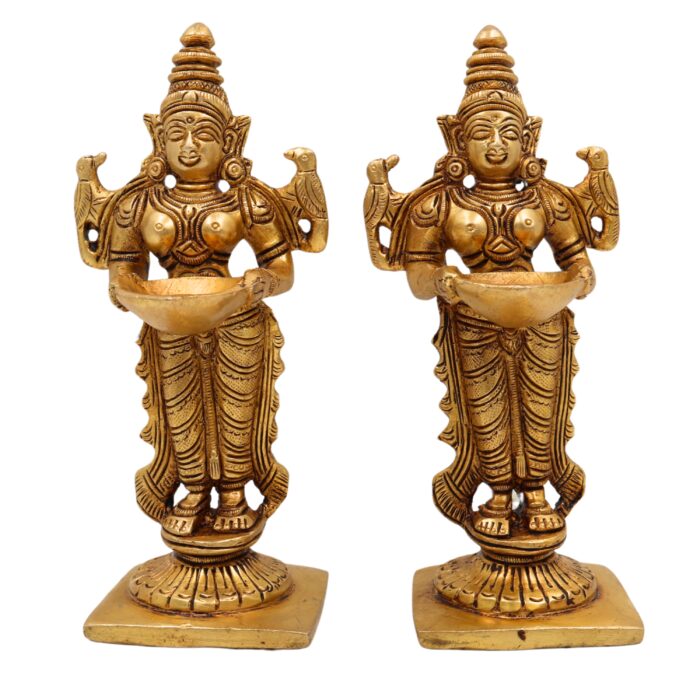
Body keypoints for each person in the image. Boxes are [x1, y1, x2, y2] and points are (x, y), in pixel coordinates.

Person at [100, 24, 300, 537]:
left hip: (238, 321)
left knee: (237, 410)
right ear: (158, 139)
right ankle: (191, 488)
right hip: (167, 322)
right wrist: (127, 290)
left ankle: (233, 492)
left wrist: (260, 282)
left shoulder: (246, 200)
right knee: (181, 411)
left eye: (204, 135)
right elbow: (122, 272)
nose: (189, 147)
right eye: (177, 135)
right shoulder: (137, 204)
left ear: (230, 140)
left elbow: (283, 270)